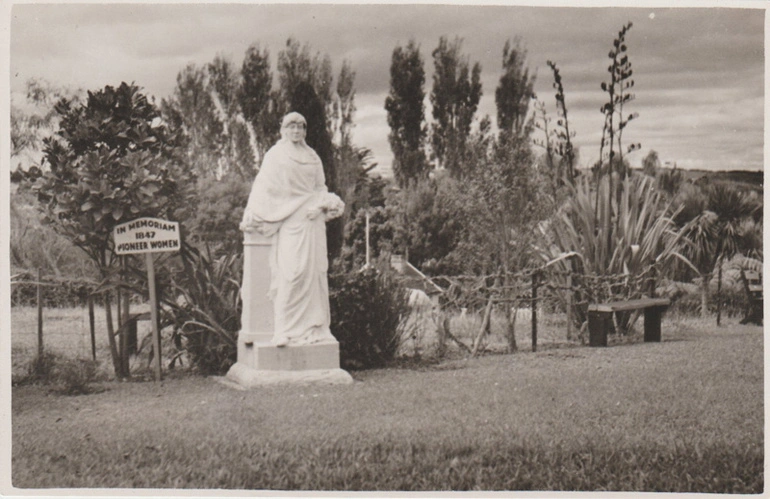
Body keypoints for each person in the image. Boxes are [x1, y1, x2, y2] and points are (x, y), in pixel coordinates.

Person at [240, 112, 344, 347]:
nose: (296, 131)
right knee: (292, 273)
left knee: (313, 276)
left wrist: (321, 206)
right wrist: (252, 210)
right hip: (289, 220)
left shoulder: (312, 157)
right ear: (283, 130)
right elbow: (263, 186)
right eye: (292, 127)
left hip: (312, 221)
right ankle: (283, 329)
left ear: (305, 131)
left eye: (300, 127)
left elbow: (320, 188)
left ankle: (313, 328)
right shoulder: (275, 156)